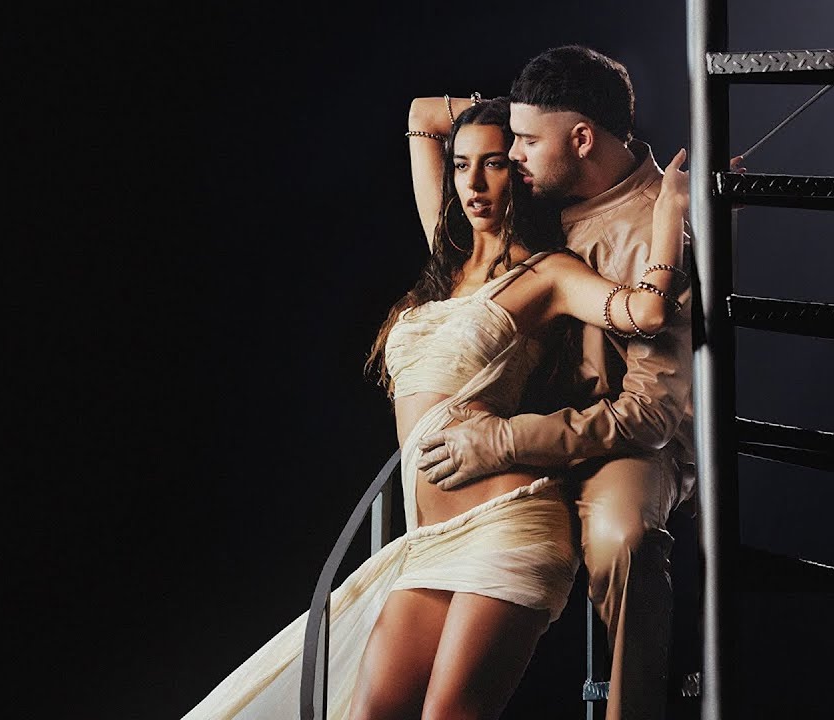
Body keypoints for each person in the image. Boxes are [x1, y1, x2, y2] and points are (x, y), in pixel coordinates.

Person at [180, 96, 690, 720]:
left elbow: (648, 312)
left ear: (521, 173)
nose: (473, 184)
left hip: (506, 525)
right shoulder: (445, 262)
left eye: (495, 163)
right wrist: (505, 114)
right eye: (461, 165)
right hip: (428, 541)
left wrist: (670, 213)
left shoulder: (547, 274)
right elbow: (423, 116)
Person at [415, 46, 695, 720]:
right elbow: (426, 118)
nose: (509, 157)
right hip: (518, 430)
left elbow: (652, 414)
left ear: (582, 139)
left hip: (624, 443)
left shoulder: (666, 225)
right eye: (506, 142)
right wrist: (498, 114)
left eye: (526, 142)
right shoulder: (528, 195)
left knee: (622, 538)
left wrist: (505, 440)